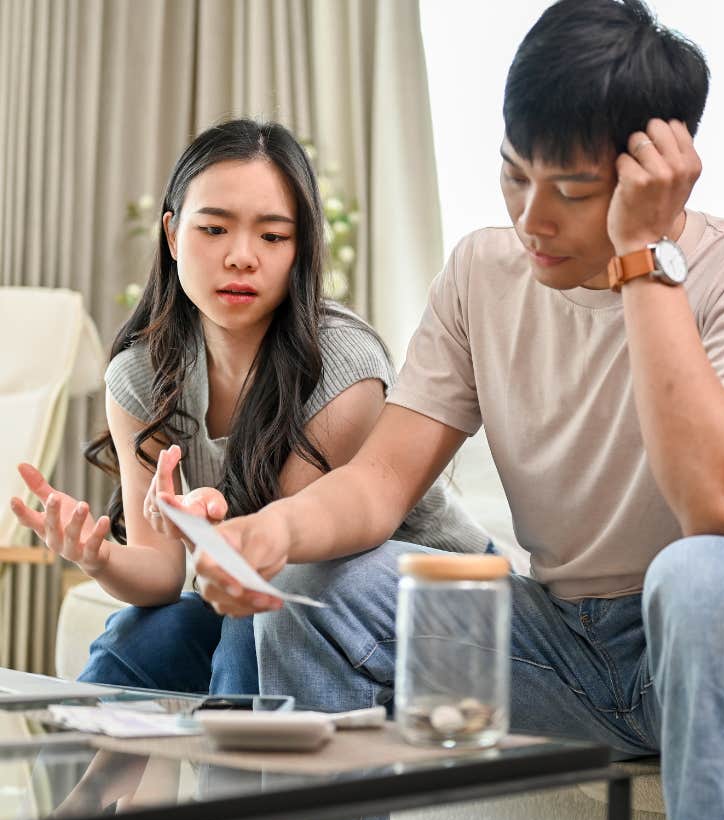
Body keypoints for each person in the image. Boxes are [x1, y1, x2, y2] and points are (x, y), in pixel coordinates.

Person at [178, 3, 724, 820]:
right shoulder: (482, 273)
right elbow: (382, 481)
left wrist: (643, 258)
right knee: (314, 591)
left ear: (660, 176)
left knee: (699, 575)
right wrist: (270, 532)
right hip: (563, 642)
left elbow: (717, 508)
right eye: (512, 173)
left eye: (571, 190)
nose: (532, 217)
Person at [10, 118, 491, 700]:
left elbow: (283, 557)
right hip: (282, 593)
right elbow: (161, 575)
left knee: (252, 629)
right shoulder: (142, 376)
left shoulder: (341, 365)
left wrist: (208, 532)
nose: (241, 257)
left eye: (272, 236)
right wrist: (97, 558)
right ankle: (83, 793)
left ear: (302, 249)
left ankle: (238, 794)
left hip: (426, 597)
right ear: (171, 233)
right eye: (213, 228)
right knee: (132, 640)